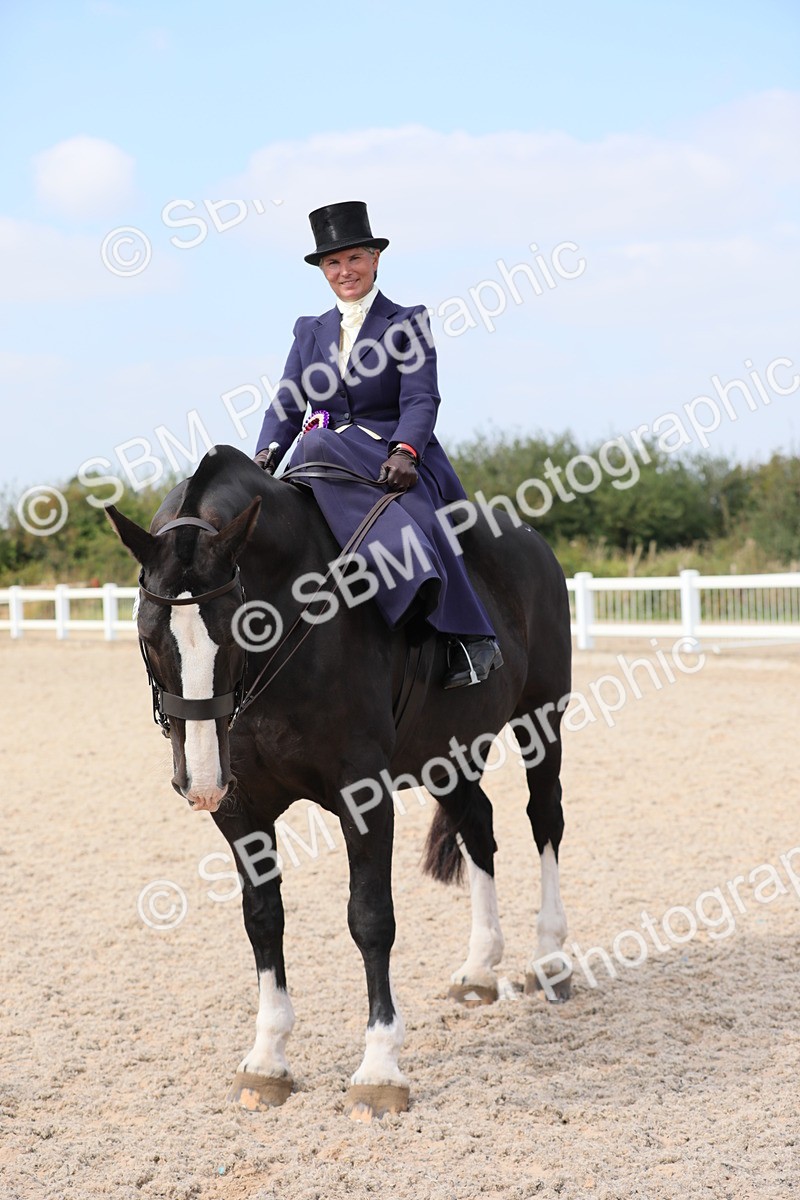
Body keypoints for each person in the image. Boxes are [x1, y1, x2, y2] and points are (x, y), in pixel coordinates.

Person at [254, 200, 502, 689]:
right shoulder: (309, 330)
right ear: (323, 270)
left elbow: (421, 398)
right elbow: (287, 405)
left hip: (392, 457)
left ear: (375, 259)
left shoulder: (408, 321)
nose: (344, 271)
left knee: (427, 519)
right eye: (333, 262)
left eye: (354, 259)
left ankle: (470, 640)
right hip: (324, 458)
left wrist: (406, 451)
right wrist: (264, 457)